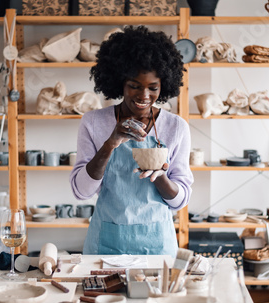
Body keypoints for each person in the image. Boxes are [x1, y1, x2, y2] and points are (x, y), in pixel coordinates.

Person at [69, 25, 193, 256]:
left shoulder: (176, 127)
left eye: (152, 88)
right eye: (134, 86)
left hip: (157, 244)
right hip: (106, 243)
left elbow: (180, 200)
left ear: (163, 86)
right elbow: (82, 192)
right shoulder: (94, 123)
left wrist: (160, 176)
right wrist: (110, 144)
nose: (144, 96)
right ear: (120, 83)